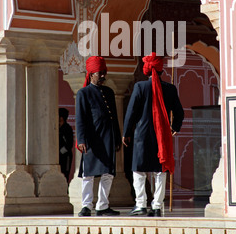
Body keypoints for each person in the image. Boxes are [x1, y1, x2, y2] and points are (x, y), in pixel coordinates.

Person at [123, 52, 184, 217]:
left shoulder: (140, 87)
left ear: (147, 70)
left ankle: (141, 205)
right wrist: (174, 127)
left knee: (139, 171)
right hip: (162, 135)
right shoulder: (170, 88)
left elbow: (132, 112)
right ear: (161, 71)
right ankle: (157, 206)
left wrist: (126, 132)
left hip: (142, 135)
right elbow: (179, 111)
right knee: (160, 170)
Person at [75, 55, 122, 216]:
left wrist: (117, 137)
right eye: (100, 72)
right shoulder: (84, 93)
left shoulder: (108, 92)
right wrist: (81, 139)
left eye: (104, 72)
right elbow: (80, 118)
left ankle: (102, 205)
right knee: (88, 173)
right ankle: (86, 206)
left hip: (108, 138)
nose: (103, 75)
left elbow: (114, 117)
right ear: (92, 73)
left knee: (108, 173)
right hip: (92, 139)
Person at [59, 108, 74, 183]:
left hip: (66, 156)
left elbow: (69, 144)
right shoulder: (57, 128)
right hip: (57, 157)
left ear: (61, 118)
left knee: (65, 173)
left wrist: (60, 152)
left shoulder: (67, 128)